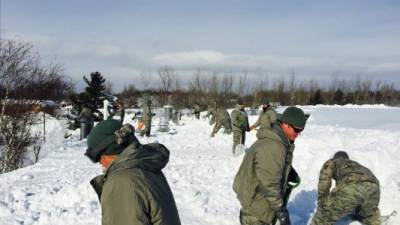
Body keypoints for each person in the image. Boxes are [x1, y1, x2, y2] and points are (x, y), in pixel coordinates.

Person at [85, 119, 181, 225]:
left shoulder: (122, 181)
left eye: (98, 156)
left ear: (112, 150)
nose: (99, 162)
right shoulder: (146, 166)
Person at [233, 106, 308, 225]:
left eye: (301, 130)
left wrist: (289, 170)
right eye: (297, 130)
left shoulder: (279, 139)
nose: (298, 134)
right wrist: (281, 211)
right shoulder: (273, 146)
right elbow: (269, 184)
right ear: (285, 124)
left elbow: (271, 166)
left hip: (260, 203)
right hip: (256, 212)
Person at [310, 151, 381, 225]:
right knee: (369, 215)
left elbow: (324, 182)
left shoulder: (332, 162)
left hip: (352, 187)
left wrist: (323, 204)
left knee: (323, 216)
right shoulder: (355, 164)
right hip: (374, 188)